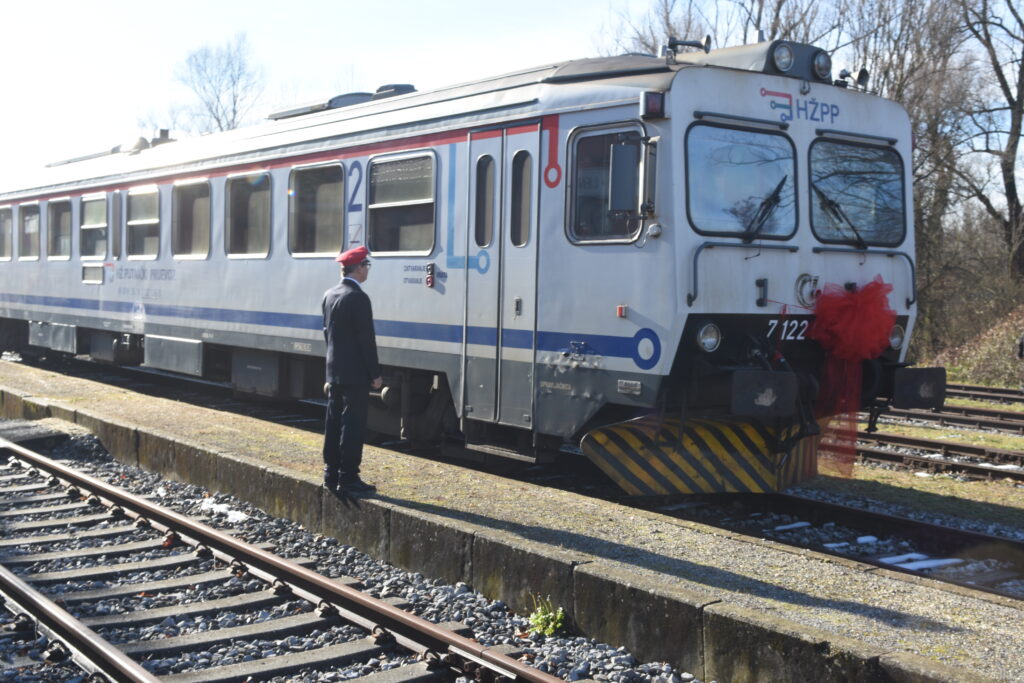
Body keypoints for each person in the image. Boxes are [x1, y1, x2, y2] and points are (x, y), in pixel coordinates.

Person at [321, 245, 382, 494]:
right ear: (358, 268)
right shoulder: (358, 297)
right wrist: (374, 373)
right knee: (353, 425)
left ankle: (330, 473)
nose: (367, 270)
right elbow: (365, 340)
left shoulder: (330, 294)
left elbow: (328, 334)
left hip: (334, 370)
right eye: (366, 265)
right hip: (355, 373)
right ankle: (348, 478)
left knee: (333, 422)